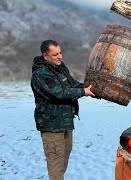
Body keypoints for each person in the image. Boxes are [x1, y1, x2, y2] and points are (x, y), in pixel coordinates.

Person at [30, 40, 95, 180]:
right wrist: (83, 92)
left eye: (60, 53)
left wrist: (90, 89)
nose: (60, 57)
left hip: (66, 123)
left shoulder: (60, 67)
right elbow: (59, 93)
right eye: (55, 55)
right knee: (56, 165)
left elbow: (72, 85)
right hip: (52, 126)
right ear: (45, 56)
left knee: (63, 161)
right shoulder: (40, 74)